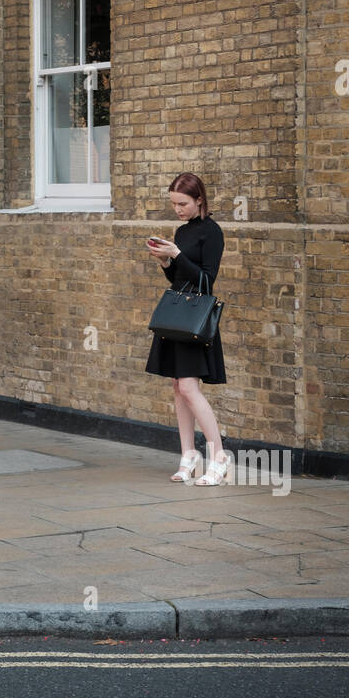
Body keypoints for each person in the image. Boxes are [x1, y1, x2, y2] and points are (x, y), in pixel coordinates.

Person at [144, 172, 232, 486]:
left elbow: (207, 281)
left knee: (190, 389)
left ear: (199, 200)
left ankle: (219, 457)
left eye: (183, 203)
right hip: (177, 315)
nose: (178, 209)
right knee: (178, 388)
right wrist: (166, 262)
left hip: (196, 317)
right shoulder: (181, 232)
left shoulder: (212, 232)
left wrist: (177, 254)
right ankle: (189, 455)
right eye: (174, 204)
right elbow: (178, 281)